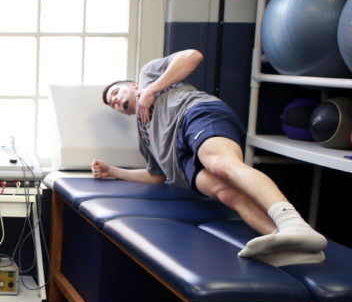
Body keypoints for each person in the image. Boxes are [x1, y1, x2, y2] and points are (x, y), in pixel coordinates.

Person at [94, 48, 326, 267]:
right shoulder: (143, 136)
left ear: (133, 85)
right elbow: (156, 176)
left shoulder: (148, 76)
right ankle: (292, 244)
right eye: (112, 104)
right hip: (182, 163)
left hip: (193, 115)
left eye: (115, 93)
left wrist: (153, 89)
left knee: (221, 165)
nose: (114, 101)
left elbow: (193, 56)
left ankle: (293, 224)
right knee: (227, 194)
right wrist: (113, 171)